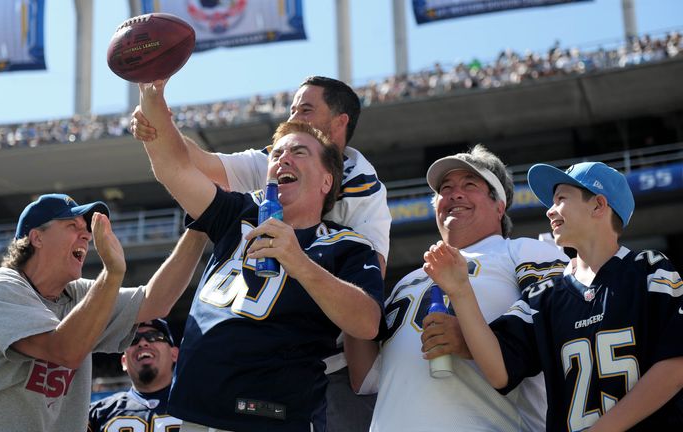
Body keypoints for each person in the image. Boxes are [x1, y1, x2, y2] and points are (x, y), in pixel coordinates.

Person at [132, 75, 389, 431]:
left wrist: (299, 262)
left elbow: (367, 321)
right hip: (195, 411)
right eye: (278, 153)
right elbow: (174, 167)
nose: (283, 159)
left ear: (328, 179)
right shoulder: (238, 211)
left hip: (270, 414)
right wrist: (152, 96)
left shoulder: (347, 242)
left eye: (298, 152)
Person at [424, 161, 683, 431]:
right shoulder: (546, 295)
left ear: (598, 205)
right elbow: (500, 371)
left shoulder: (649, 270)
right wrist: (462, 292)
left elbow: (676, 366)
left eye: (560, 199)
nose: (549, 211)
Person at [0, 194, 206, 431]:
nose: (86, 236)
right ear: (36, 238)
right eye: (72, 226)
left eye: (86, 230)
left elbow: (156, 302)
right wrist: (112, 273)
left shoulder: (78, 293)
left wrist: (201, 223)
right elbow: (63, 350)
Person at [346, 144, 569, 431]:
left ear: (499, 205)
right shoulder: (405, 282)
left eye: (469, 184)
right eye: (445, 188)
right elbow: (365, 378)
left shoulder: (525, 252)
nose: (454, 193)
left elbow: (560, 335)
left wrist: (471, 341)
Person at [88, 319, 182, 431]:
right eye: (132, 339)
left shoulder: (200, 407)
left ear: (174, 354)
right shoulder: (95, 414)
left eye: (154, 336)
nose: (142, 343)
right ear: (124, 362)